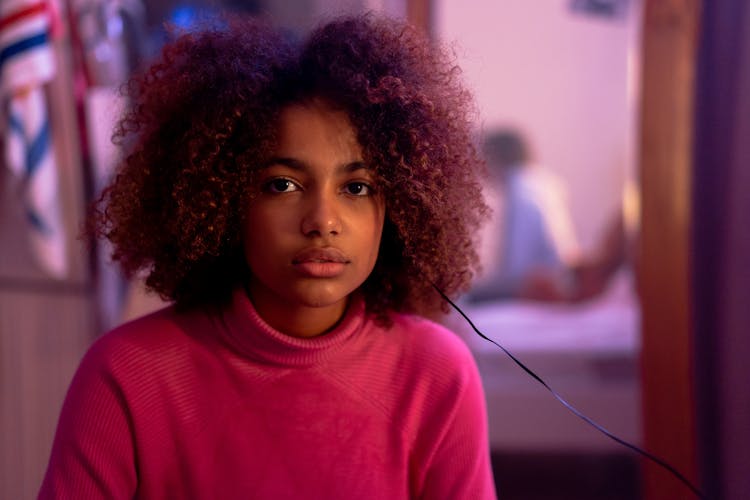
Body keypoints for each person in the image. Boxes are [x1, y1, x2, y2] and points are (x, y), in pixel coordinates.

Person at [38, 14, 496, 499]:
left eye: (357, 187)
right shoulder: (127, 375)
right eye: (283, 185)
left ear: (400, 207)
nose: (323, 219)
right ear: (223, 198)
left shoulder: (435, 373)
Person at [469, 129, 580, 302]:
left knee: (464, 300)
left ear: (495, 158)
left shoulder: (520, 191)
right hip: (559, 276)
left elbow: (518, 270)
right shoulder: (544, 181)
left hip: (541, 284)